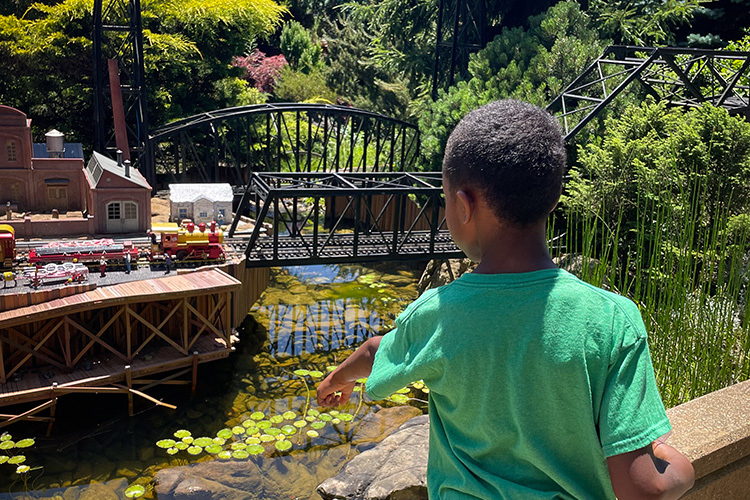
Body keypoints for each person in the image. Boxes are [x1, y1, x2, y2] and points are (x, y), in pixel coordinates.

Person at [317, 99, 695, 500]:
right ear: (553, 198)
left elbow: (378, 353)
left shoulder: (437, 313)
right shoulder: (613, 320)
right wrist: (682, 470)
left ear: (463, 205)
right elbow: (645, 490)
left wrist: (337, 379)